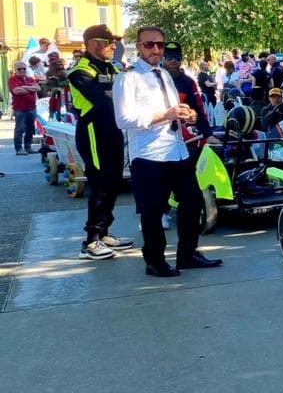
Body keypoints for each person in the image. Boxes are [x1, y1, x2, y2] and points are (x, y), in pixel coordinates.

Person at [114, 25, 223, 278]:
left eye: (160, 45)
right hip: (149, 154)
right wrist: (166, 114)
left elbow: (175, 109)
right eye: (149, 45)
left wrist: (188, 114)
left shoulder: (164, 74)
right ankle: (155, 260)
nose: (156, 50)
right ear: (139, 47)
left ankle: (187, 253)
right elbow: (124, 119)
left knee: (193, 201)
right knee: (153, 209)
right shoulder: (128, 77)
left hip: (176, 149)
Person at [67, 25, 133, 259]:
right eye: (109, 42)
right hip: (93, 130)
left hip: (113, 129)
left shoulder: (111, 67)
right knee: (101, 182)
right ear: (93, 44)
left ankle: (104, 233)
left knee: (115, 181)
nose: (114, 47)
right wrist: (113, 95)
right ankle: (90, 241)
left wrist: (113, 95)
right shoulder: (80, 71)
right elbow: (102, 99)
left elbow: (123, 95)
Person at [162, 43, 218, 148]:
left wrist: (208, 135)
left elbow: (199, 111)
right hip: (151, 139)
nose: (173, 60)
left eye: (177, 57)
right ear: (162, 58)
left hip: (178, 135)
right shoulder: (150, 78)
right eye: (169, 56)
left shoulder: (188, 82)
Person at [8, 61, 40, 155]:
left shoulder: (30, 79)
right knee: (20, 129)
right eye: (19, 69)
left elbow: (38, 89)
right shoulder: (12, 80)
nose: (22, 70)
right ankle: (19, 149)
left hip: (31, 107)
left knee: (30, 128)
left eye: (24, 68)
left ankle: (28, 147)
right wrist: (30, 88)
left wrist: (24, 87)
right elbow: (16, 91)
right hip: (19, 108)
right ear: (15, 70)